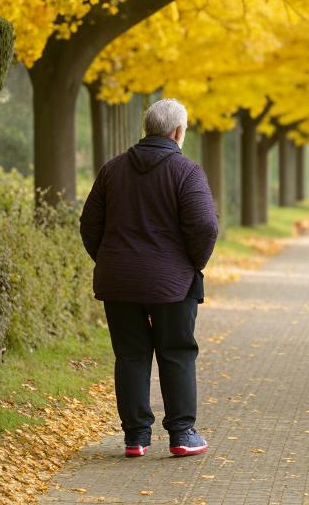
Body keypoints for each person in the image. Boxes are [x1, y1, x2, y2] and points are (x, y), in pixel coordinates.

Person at [80, 98, 219, 458]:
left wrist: (111, 261)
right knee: (176, 352)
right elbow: (204, 225)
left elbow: (89, 224)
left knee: (130, 355)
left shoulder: (112, 170)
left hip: (119, 281)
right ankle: (182, 434)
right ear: (177, 131)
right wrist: (192, 264)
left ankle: (136, 437)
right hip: (173, 283)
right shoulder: (186, 172)